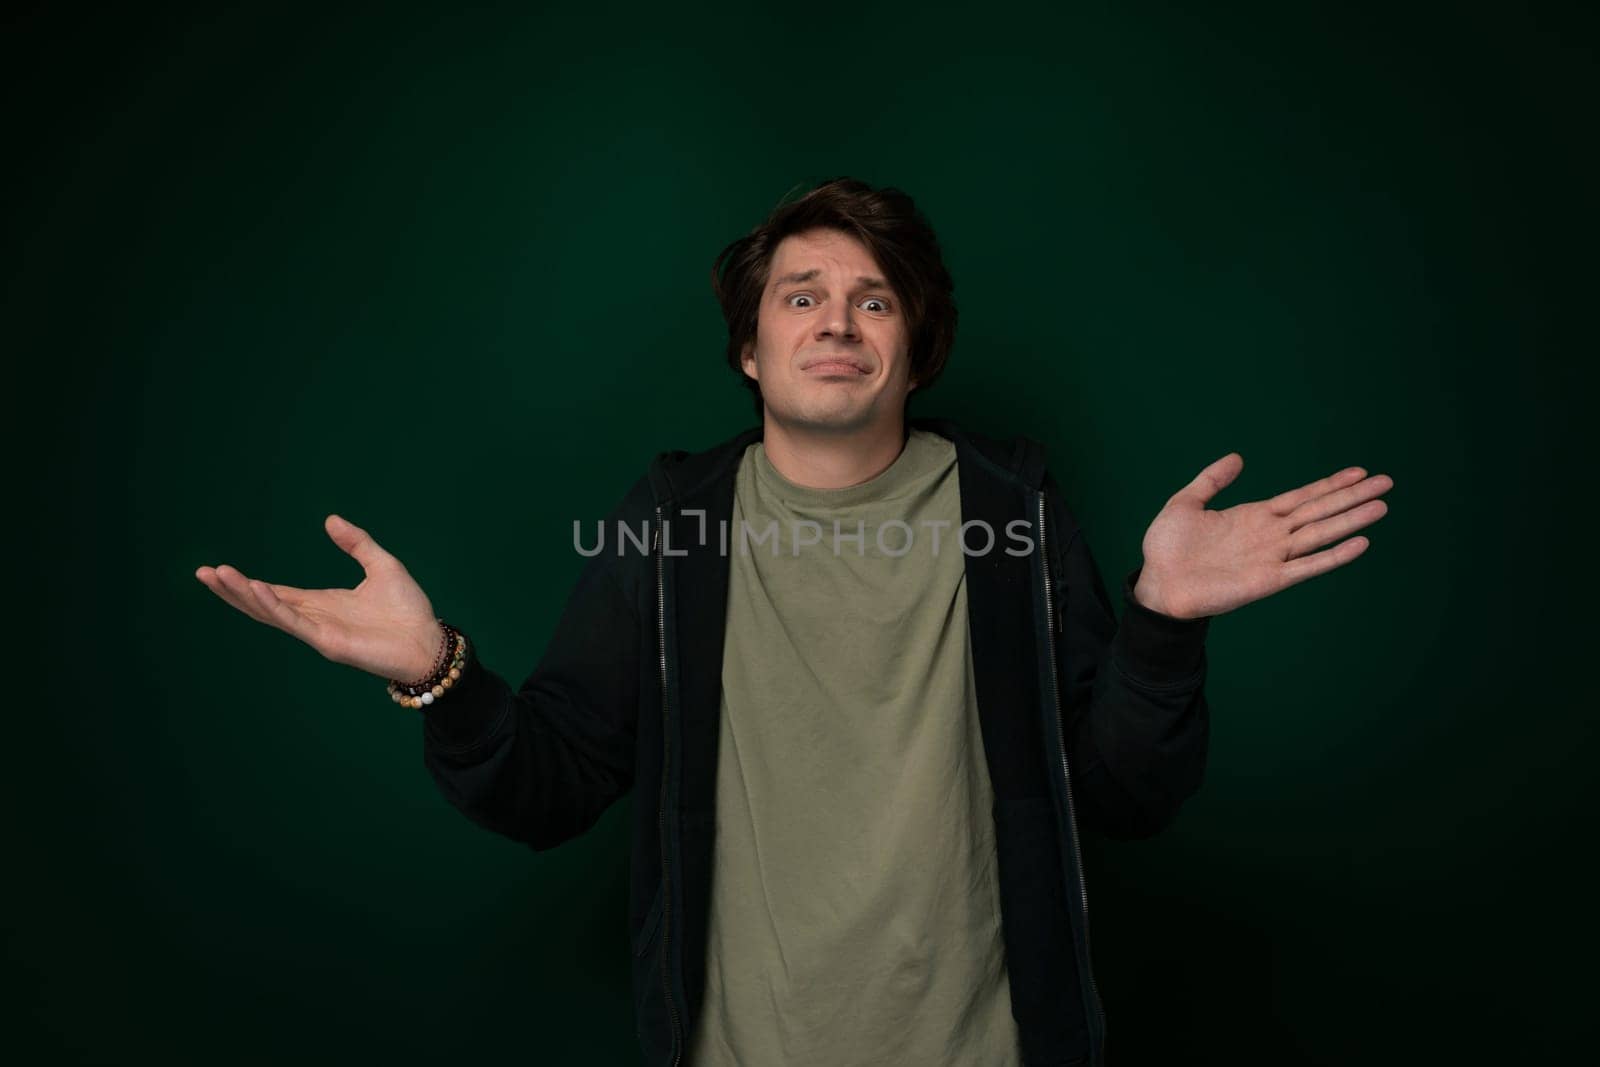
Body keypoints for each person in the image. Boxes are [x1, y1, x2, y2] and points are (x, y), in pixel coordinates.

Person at [195, 176, 1393, 1066]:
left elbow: (1122, 793)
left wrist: (1162, 622)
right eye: (802, 296)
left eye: (874, 302)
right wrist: (437, 672)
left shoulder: (1012, 510)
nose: (836, 321)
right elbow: (550, 784)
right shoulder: (673, 521)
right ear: (750, 349)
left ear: (914, 351)